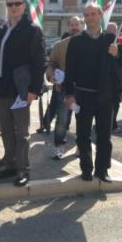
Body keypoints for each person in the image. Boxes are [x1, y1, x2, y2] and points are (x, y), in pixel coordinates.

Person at [65, 4, 122, 182]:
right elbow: (69, 71)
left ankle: (102, 170)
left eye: (93, 14)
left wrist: (117, 53)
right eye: (87, 15)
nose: (90, 18)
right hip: (83, 96)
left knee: (104, 136)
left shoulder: (111, 39)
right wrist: (69, 95)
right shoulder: (76, 41)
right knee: (83, 136)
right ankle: (85, 169)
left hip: (105, 96)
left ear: (100, 15)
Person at [0, 0, 45, 187]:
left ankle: (23, 169)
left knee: (22, 132)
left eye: (17, 3)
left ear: (24, 6)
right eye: (10, 4)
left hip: (20, 89)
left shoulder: (32, 30)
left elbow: (39, 63)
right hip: (2, 87)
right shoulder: (3, 30)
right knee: (6, 130)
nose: (13, 7)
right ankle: (10, 164)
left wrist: (33, 90)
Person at [46, 15, 84, 159]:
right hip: (64, 89)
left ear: (82, 26)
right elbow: (51, 64)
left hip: (84, 90)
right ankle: (59, 146)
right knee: (62, 120)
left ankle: (81, 147)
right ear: (68, 27)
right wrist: (51, 76)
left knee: (83, 120)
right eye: (71, 25)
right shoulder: (60, 45)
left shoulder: (90, 44)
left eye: (77, 24)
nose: (74, 27)